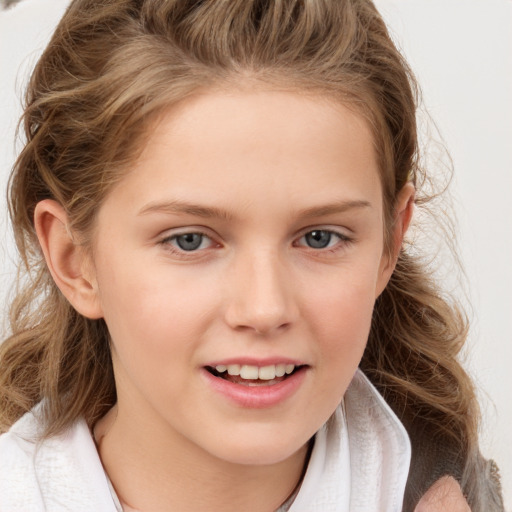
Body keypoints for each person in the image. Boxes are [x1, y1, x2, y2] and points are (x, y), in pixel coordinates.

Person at [0, 0, 505, 510]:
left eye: (320, 237)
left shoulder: (440, 492)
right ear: (74, 260)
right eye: (189, 240)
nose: (265, 309)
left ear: (389, 244)